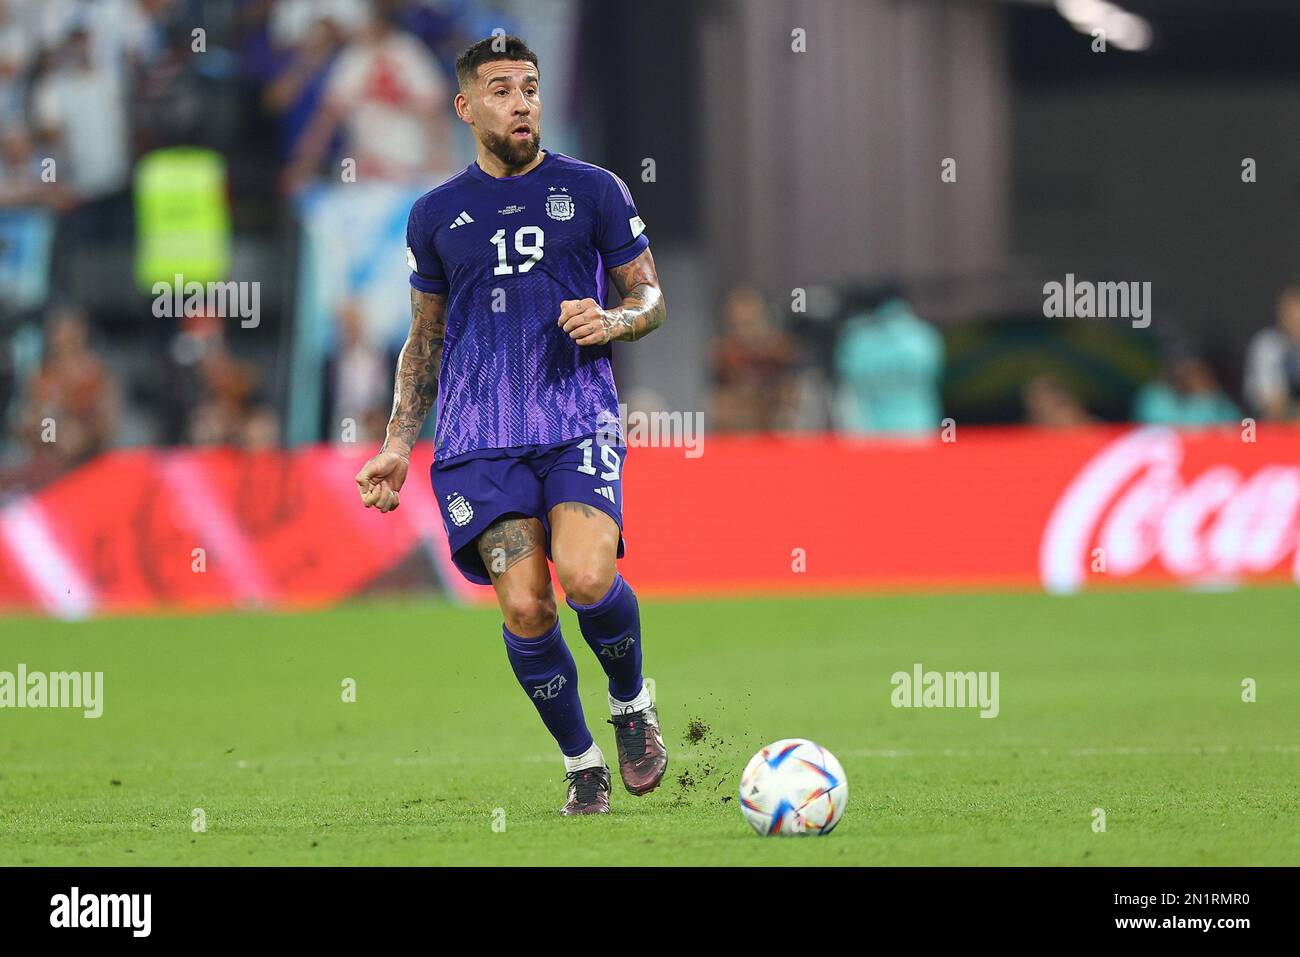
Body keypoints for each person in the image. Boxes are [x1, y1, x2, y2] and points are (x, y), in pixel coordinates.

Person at [353, 36, 668, 816]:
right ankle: (581, 760)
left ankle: (630, 705)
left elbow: (651, 297)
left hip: (574, 420)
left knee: (588, 576)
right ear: (465, 107)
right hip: (476, 439)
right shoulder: (433, 216)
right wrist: (397, 442)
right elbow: (424, 339)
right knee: (528, 608)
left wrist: (614, 321)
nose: (521, 101)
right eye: (500, 89)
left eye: (529, 86)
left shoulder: (593, 189)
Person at [1243, 285, 1300, 421]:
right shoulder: (1266, 346)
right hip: (1272, 430)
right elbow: (1272, 407)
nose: (1296, 322)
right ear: (1280, 314)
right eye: (1291, 315)